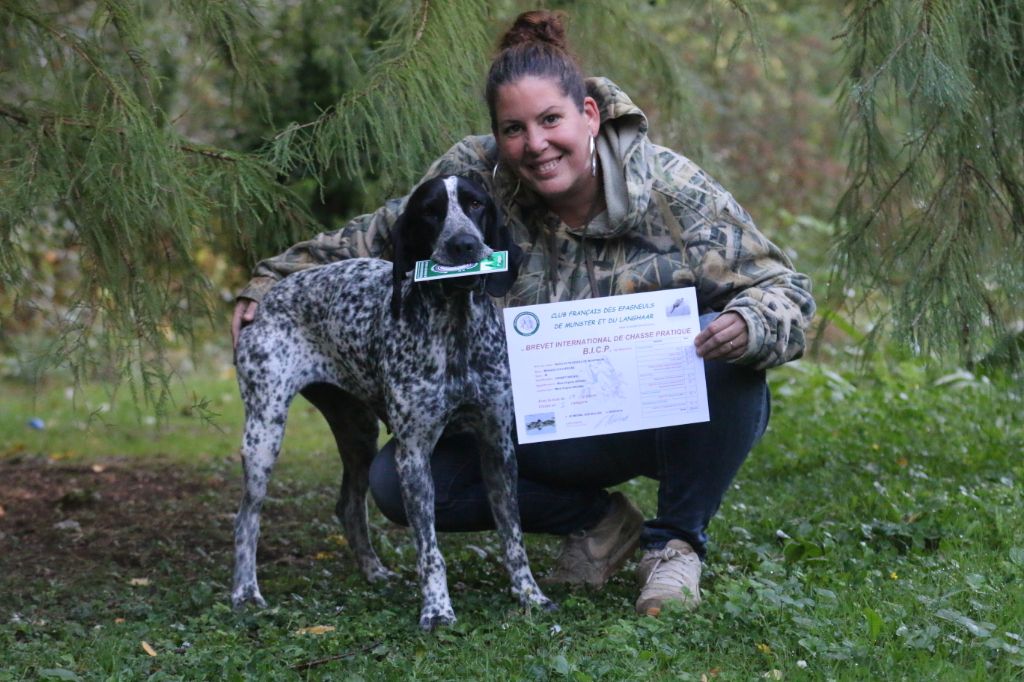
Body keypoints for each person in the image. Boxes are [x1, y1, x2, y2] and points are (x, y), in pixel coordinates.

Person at [232, 10, 815, 616]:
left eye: (551, 120)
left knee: (730, 363)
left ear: (589, 114)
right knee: (392, 483)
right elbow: (380, 236)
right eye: (514, 129)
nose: (535, 145)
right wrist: (268, 282)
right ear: (496, 135)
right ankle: (598, 521)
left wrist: (751, 322)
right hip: (532, 422)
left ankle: (674, 546)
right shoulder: (475, 177)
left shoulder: (672, 190)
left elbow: (786, 291)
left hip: (648, 414)